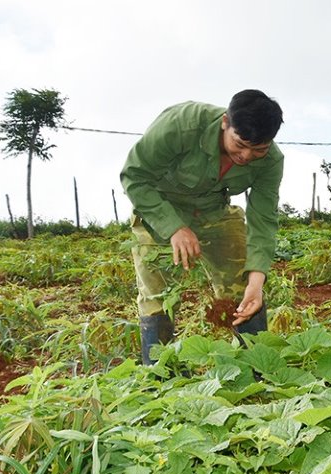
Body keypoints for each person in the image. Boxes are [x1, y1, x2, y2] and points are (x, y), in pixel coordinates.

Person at [121, 89, 284, 364]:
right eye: (240, 143)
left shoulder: (271, 161)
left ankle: (255, 368)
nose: (246, 156)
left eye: (258, 150)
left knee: (242, 285)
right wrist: (174, 227)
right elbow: (134, 177)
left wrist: (256, 283)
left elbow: (263, 219)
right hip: (161, 208)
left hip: (214, 211)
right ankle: (158, 374)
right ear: (225, 123)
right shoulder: (181, 125)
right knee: (157, 293)